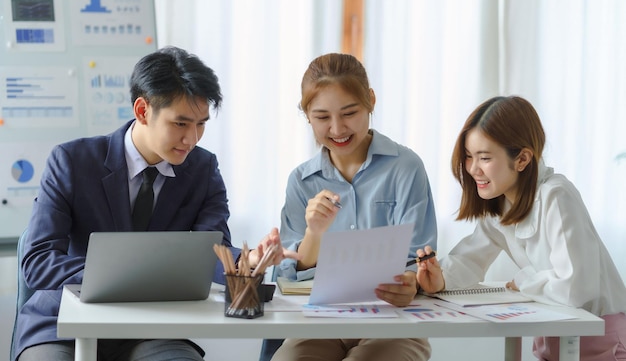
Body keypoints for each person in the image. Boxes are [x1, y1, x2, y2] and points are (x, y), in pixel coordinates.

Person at [13, 46, 295, 361]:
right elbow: (38, 262)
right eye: (181, 124)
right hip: (63, 324)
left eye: (201, 124)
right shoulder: (71, 161)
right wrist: (125, 276)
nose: (192, 138)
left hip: (155, 328)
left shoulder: (202, 170)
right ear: (142, 110)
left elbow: (212, 252)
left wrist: (249, 260)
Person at [415, 95, 626, 361]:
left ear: (523, 159)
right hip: (555, 338)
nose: (473, 169)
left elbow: (576, 289)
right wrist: (439, 278)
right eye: (469, 157)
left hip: (600, 341)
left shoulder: (556, 196)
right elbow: (470, 259)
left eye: (484, 158)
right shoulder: (500, 206)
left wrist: (525, 280)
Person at [267, 53, 437, 361]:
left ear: (370, 101)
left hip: (394, 324)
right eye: (321, 117)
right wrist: (315, 234)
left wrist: (411, 280)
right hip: (319, 323)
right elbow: (288, 275)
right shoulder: (301, 181)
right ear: (307, 115)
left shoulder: (406, 168)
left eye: (349, 113)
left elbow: (418, 259)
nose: (337, 128)